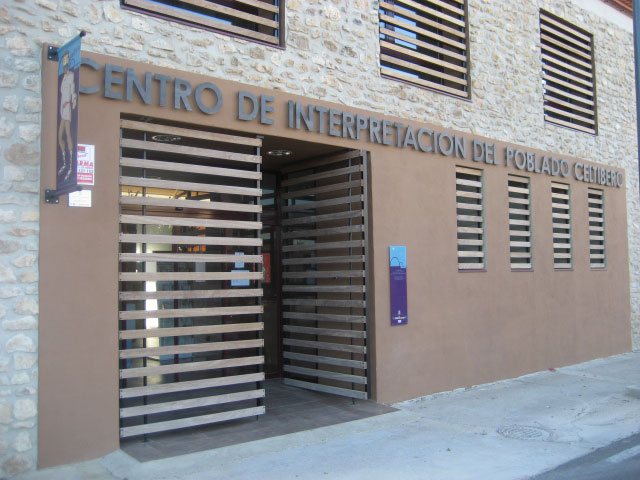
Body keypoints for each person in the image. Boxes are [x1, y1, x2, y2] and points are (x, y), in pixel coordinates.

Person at [57, 51, 76, 181]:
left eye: (66, 62)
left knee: (68, 134)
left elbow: (73, 90)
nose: (65, 65)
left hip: (67, 107)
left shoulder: (71, 76)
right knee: (60, 137)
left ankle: (70, 165)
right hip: (61, 109)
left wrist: (73, 100)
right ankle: (64, 163)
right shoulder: (63, 77)